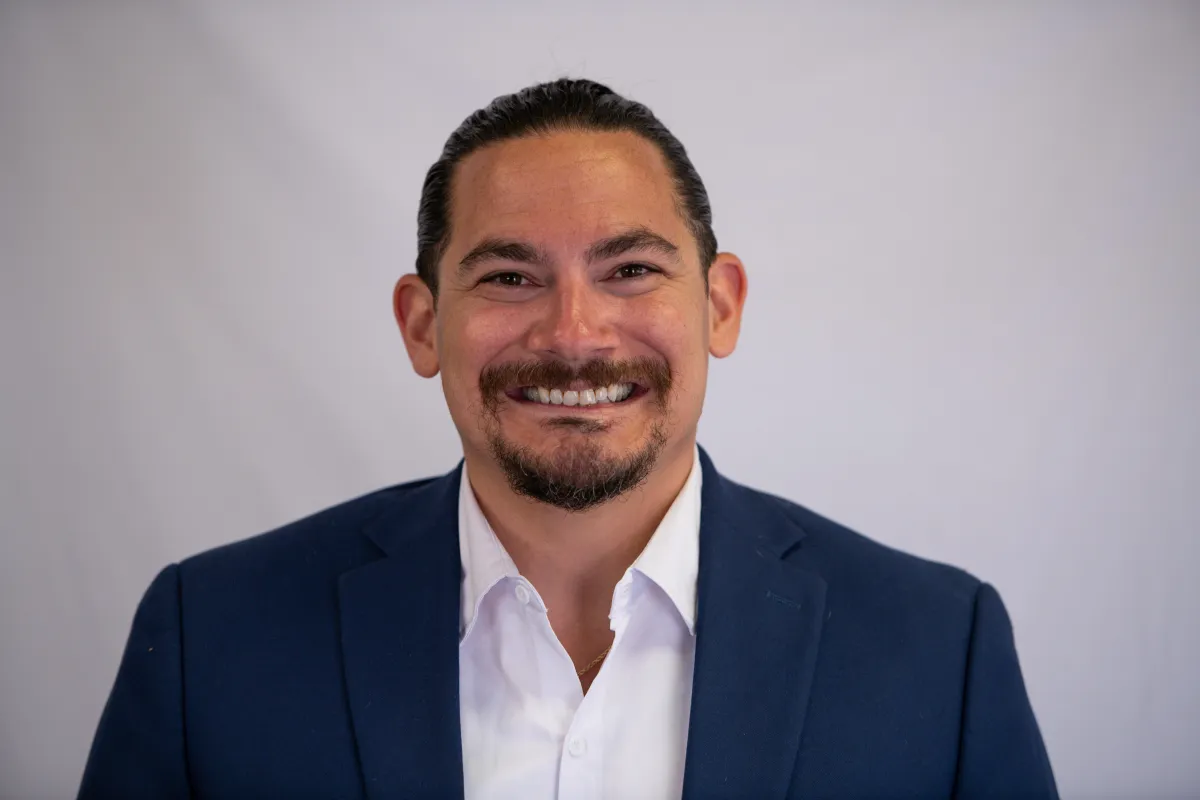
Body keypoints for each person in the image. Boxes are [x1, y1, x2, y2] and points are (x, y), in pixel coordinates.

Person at [78, 78, 1057, 799]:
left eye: (631, 270)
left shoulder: (940, 649)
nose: (575, 335)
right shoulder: (210, 637)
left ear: (720, 306)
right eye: (510, 277)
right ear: (422, 324)